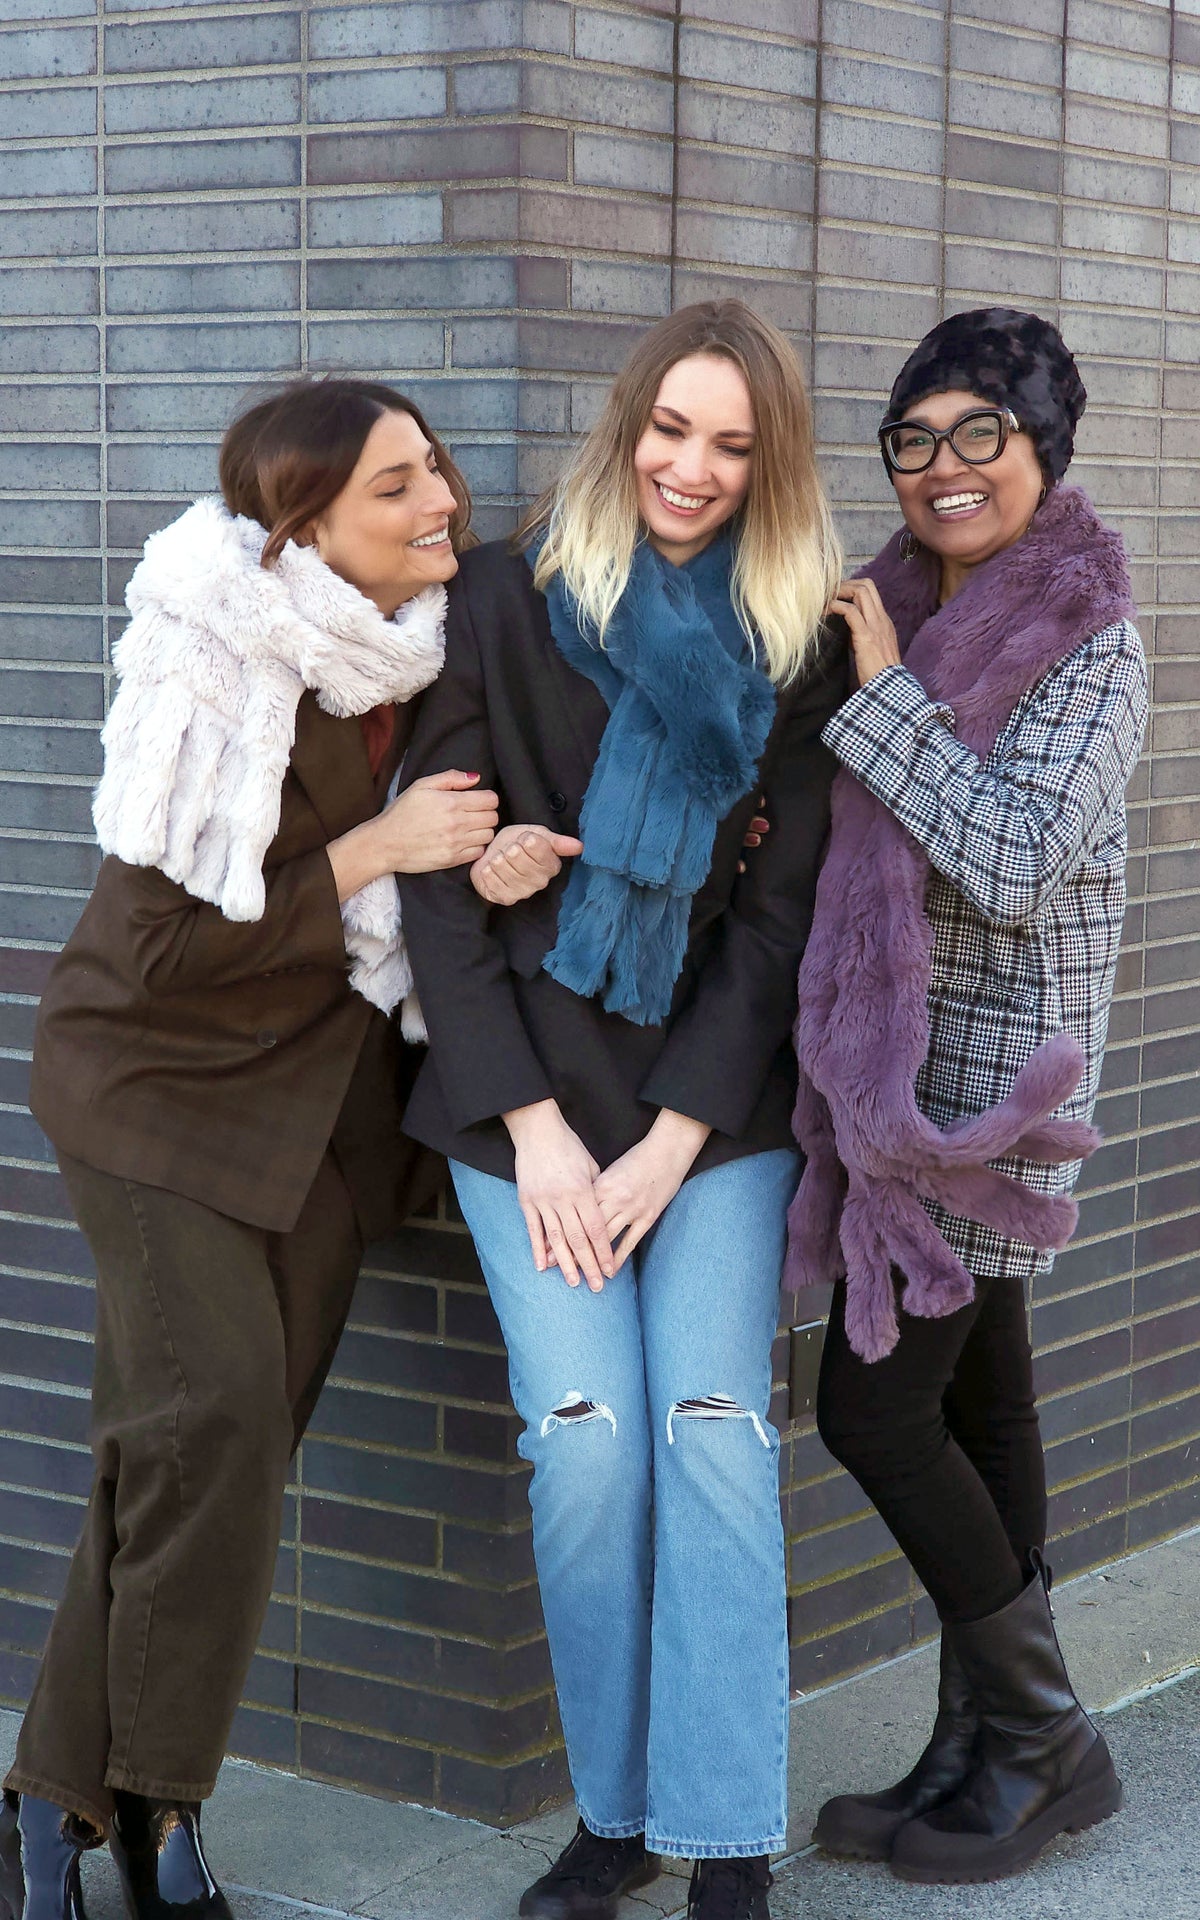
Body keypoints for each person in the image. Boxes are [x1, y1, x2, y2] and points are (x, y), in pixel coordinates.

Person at [0, 377, 562, 1920]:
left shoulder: (436, 649)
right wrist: (380, 848)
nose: (440, 498)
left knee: (185, 1453)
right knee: (217, 1424)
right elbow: (172, 944)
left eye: (434, 468)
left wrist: (490, 861)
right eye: (396, 486)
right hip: (152, 1085)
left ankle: (65, 1803)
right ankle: (156, 1814)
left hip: (314, 1115)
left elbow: (452, 868)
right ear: (302, 527)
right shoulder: (217, 657)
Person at [397, 300, 847, 1920]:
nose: (693, 467)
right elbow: (441, 876)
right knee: (589, 1448)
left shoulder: (793, 642)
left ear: (769, 462)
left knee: (711, 1432)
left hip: (709, 1112)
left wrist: (667, 1141)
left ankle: (724, 1840)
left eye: (733, 444)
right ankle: (617, 1810)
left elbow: (784, 913)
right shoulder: (509, 601)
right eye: (673, 429)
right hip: (525, 1098)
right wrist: (530, 1127)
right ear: (626, 422)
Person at [786, 308, 1148, 1884]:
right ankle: (983, 1742)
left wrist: (875, 690)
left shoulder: (1089, 637)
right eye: (915, 440)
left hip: (988, 1096)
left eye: (977, 435)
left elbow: (1006, 861)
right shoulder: (910, 605)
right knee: (978, 1393)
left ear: (1043, 449)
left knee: (869, 1405)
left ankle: (1050, 1737)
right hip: (897, 1065)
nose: (943, 470)